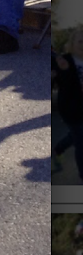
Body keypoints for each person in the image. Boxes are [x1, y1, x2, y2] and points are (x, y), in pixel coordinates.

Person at [53, 29, 83, 181]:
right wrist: (62, 71)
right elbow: (60, 84)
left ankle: (59, 148)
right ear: (72, 44)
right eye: (80, 41)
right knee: (81, 142)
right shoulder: (64, 61)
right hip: (72, 108)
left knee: (76, 135)